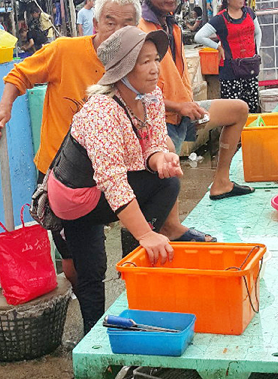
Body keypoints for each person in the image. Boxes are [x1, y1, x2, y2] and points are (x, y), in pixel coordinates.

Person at [0, 0, 142, 288]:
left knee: (92, 262)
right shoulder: (65, 52)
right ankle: (81, 292)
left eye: (127, 24)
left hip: (105, 177)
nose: (119, 31)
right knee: (77, 261)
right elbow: (20, 74)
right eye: (110, 22)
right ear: (95, 25)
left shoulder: (135, 64)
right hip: (59, 179)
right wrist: (4, 107)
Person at [48, 26, 180, 332]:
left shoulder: (151, 96)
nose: (154, 68)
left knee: (167, 180)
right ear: (122, 69)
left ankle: (134, 257)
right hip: (76, 197)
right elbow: (113, 181)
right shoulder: (103, 111)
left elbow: (155, 141)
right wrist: (147, 235)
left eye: (155, 58)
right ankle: (95, 337)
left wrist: (160, 159)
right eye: (144, 61)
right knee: (91, 270)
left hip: (99, 190)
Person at [139, 0, 253, 201]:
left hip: (183, 113)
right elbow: (135, 94)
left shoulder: (173, 27)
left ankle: (222, 183)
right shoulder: (139, 29)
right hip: (158, 120)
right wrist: (178, 106)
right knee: (166, 171)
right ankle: (167, 225)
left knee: (238, 110)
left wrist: (187, 104)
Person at [195, 0, 262, 113]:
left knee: (252, 108)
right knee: (232, 111)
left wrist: (256, 52)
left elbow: (258, 32)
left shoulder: (249, 12)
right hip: (230, 71)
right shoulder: (220, 19)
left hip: (250, 68)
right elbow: (199, 37)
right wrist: (218, 47)